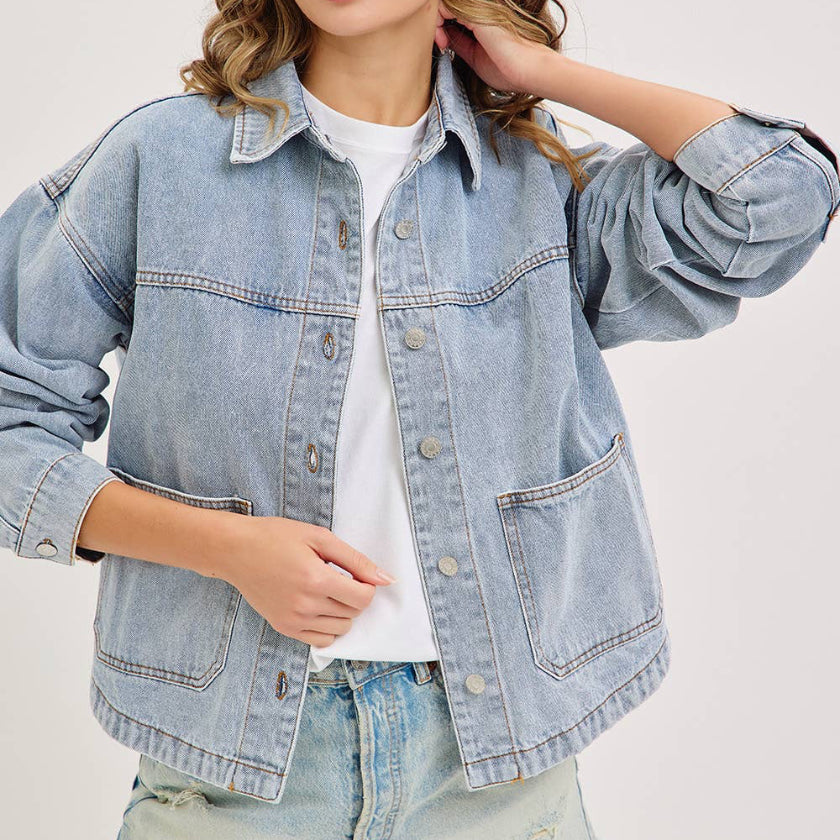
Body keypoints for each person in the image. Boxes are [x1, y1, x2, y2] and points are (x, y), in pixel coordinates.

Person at [1, 1, 838, 838]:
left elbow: (780, 197)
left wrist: (543, 74)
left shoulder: (541, 185)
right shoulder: (163, 162)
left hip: (498, 772)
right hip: (236, 770)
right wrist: (229, 551)